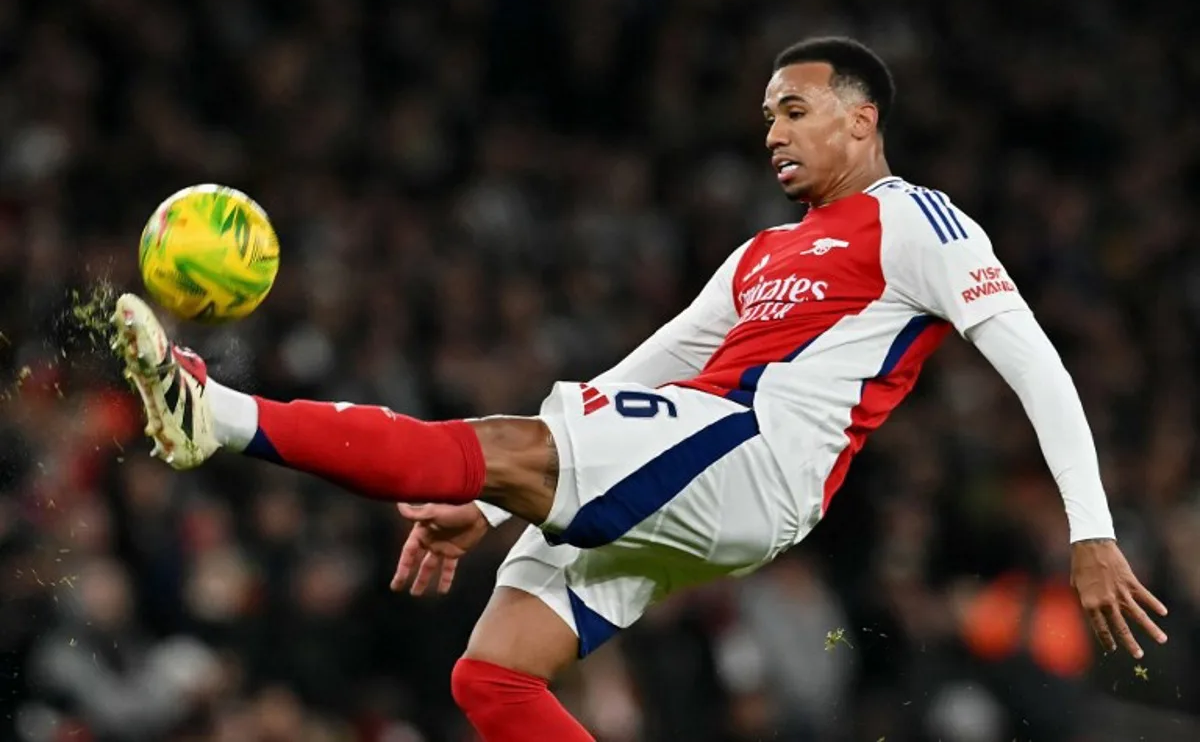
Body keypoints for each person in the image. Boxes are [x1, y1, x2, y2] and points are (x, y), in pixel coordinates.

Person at [111, 36, 1167, 741]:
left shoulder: (918, 222)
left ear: (862, 120)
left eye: (794, 110)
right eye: (766, 116)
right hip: (701, 456)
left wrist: (1091, 529)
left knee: (505, 442)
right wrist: (489, 508)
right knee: (494, 675)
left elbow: (1034, 359)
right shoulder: (760, 254)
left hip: (758, 453)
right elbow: (648, 367)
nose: (772, 132)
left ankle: (217, 419)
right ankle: (271, 431)